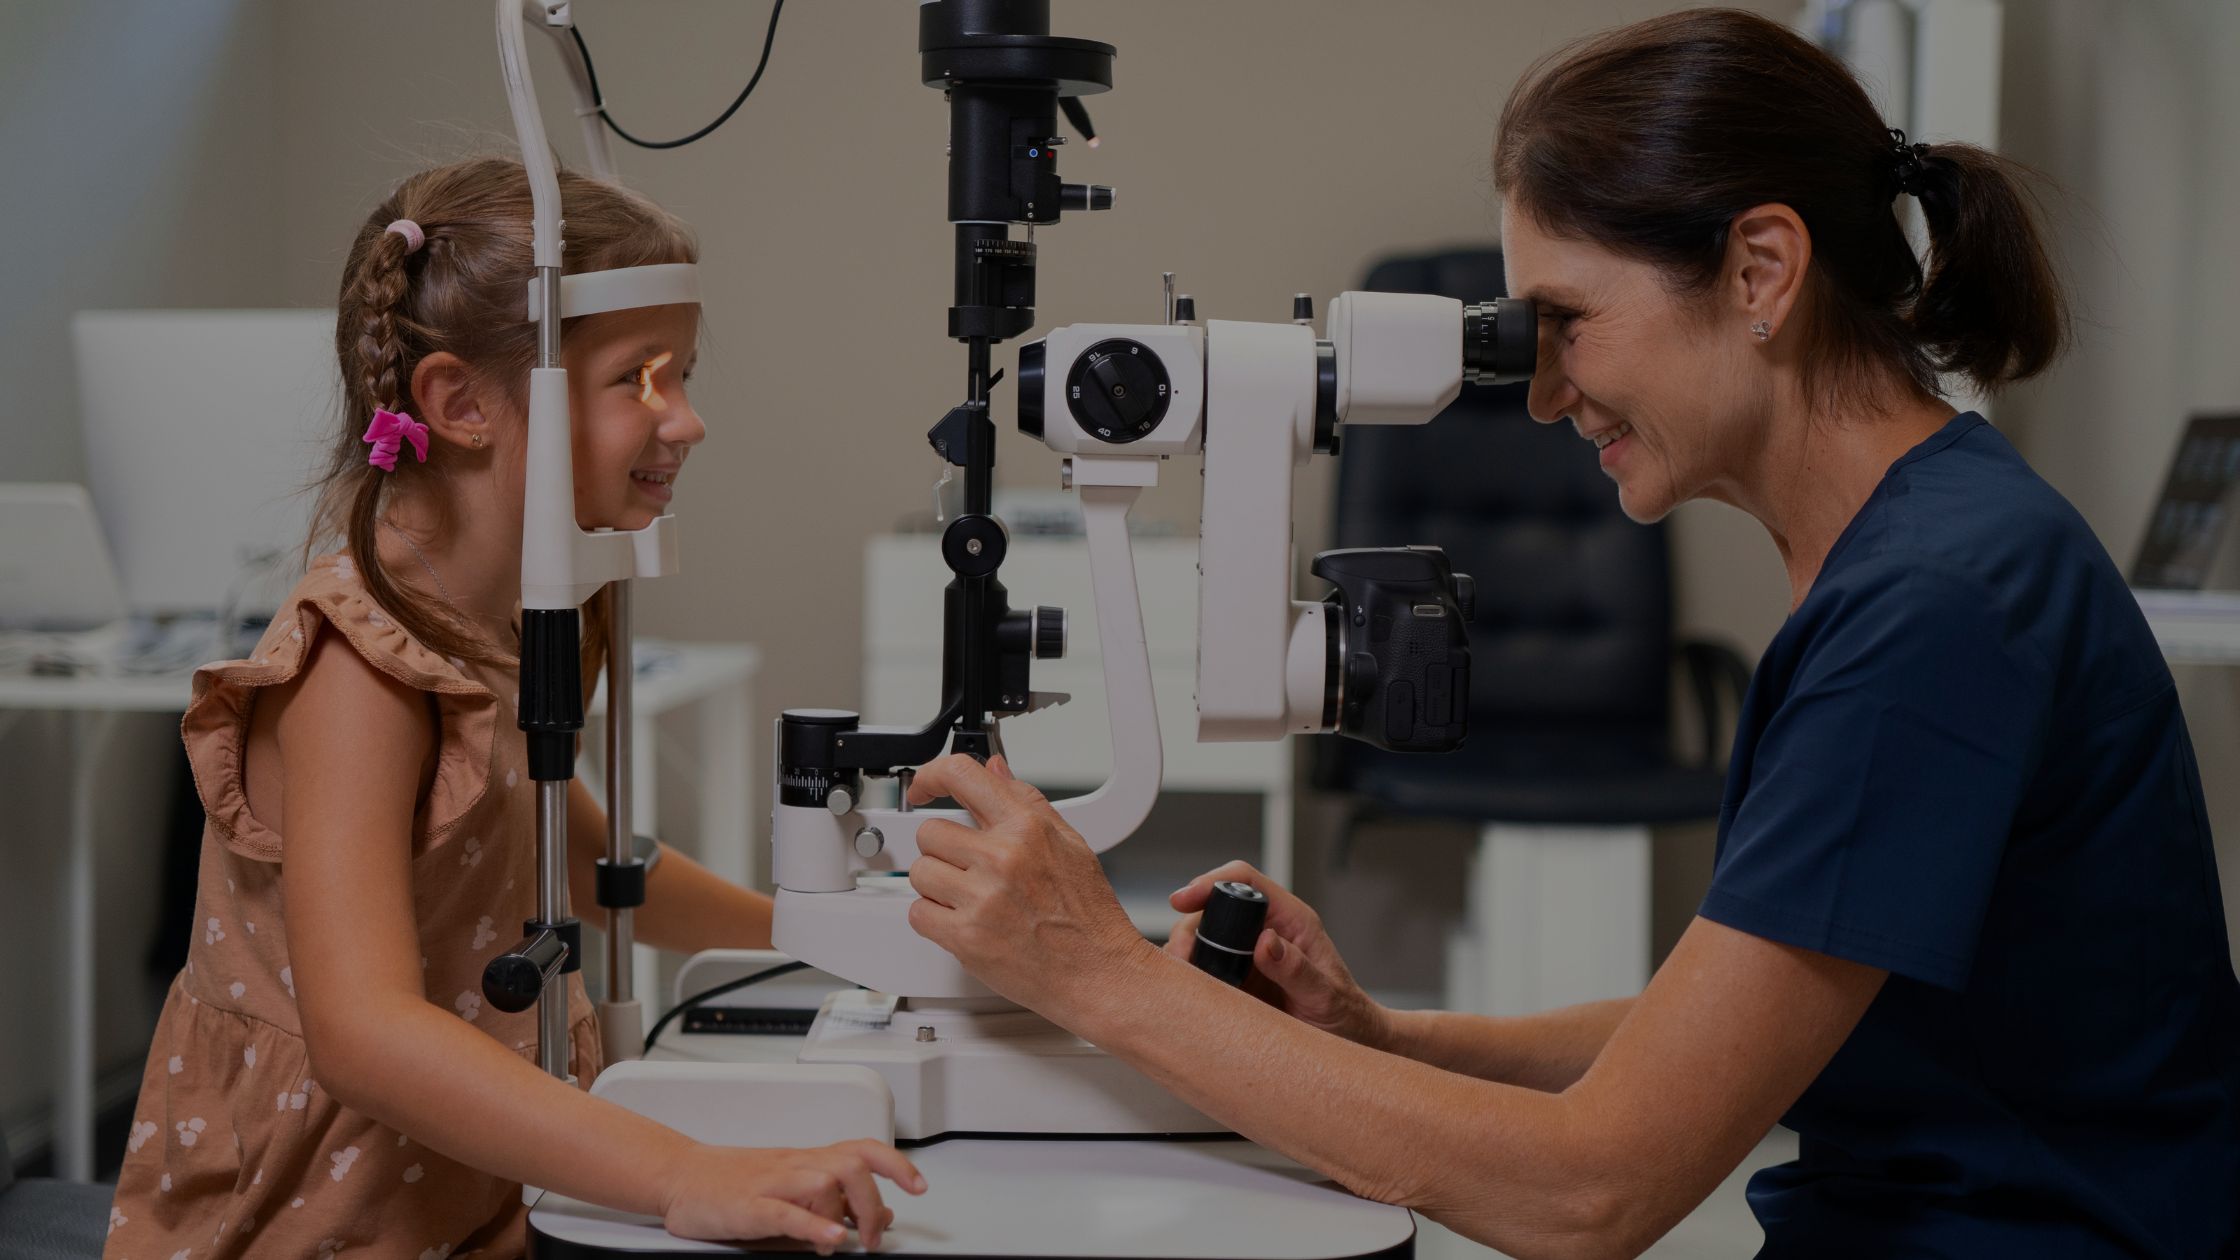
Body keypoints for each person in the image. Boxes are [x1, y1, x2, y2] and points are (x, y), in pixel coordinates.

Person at [895, 10, 2240, 1258]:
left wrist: (1100, 976)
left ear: (1761, 270)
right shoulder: (1924, 551)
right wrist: (1379, 1038)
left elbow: (1592, 1191)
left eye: (1567, 323)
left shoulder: (1932, 608)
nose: (1543, 396)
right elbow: (1727, 1036)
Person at [104, 157, 921, 1260]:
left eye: (681, 376)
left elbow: (583, 862)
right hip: (330, 1218)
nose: (686, 422)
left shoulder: (492, 623)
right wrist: (681, 1173)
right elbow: (364, 1035)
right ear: (460, 404)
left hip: (479, 1186)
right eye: (640, 379)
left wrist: (844, 937)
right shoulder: (359, 669)